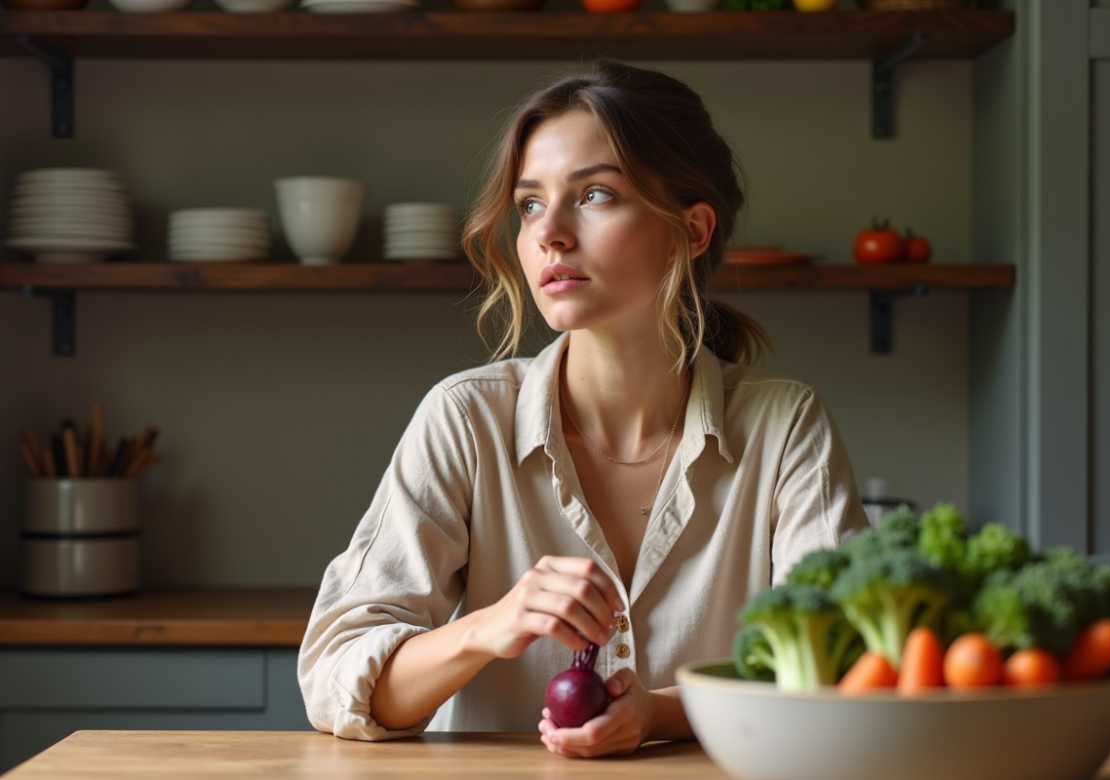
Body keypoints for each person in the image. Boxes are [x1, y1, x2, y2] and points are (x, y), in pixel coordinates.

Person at [298, 59, 869, 759]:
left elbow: (843, 664)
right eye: (531, 203)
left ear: (690, 232)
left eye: (594, 194)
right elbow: (333, 680)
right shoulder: (464, 419)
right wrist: (488, 626)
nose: (549, 234)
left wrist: (657, 714)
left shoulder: (785, 428)